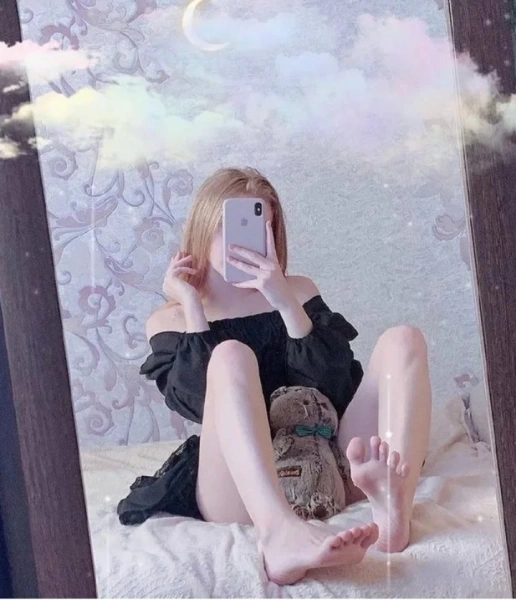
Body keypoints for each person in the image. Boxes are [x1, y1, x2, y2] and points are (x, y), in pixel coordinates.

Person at [117, 167, 432, 586]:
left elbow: (334, 387)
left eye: (260, 228)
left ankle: (394, 508)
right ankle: (279, 532)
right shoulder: (170, 318)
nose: (243, 242)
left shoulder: (296, 291)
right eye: (230, 227)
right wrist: (193, 308)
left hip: (326, 461)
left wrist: (284, 300)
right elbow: (196, 404)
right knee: (230, 355)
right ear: (203, 228)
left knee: (404, 340)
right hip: (242, 489)